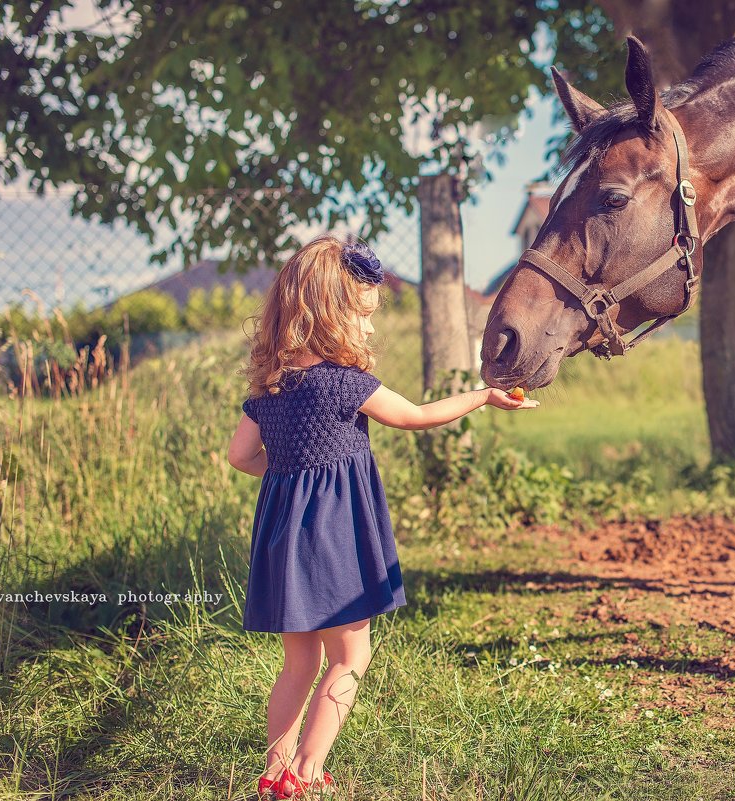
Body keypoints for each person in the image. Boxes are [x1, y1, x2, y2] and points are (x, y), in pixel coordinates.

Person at [226, 233, 538, 799]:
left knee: (298, 664)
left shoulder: (269, 389)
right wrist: (484, 396)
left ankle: (274, 774)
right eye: (361, 317)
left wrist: (289, 469)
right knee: (351, 655)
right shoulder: (346, 384)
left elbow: (240, 456)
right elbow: (417, 415)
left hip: (283, 538)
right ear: (329, 316)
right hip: (336, 537)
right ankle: (310, 770)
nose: (369, 329)